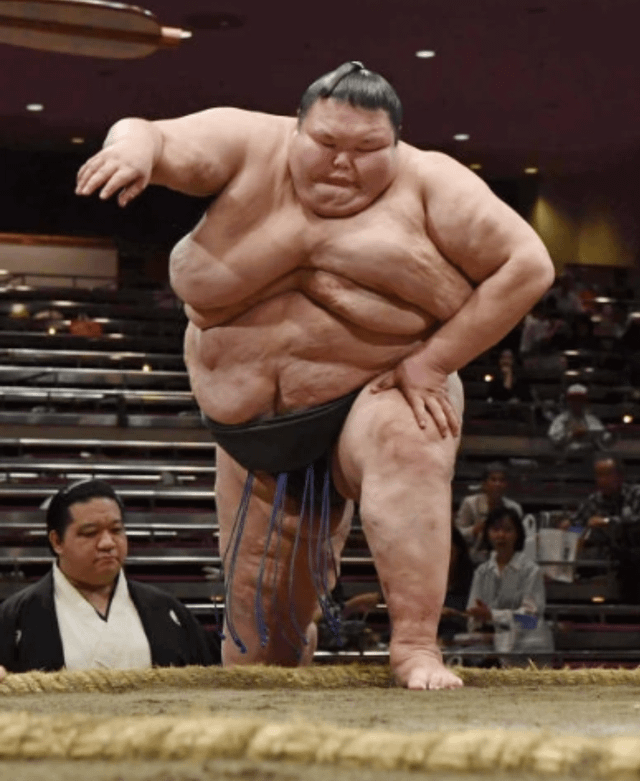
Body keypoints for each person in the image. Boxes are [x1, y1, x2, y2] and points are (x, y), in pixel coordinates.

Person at [75, 61, 554, 690]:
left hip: (373, 393)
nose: (342, 163)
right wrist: (132, 150)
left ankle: (416, 646)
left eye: (367, 149)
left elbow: (527, 263)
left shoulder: (433, 183)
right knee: (261, 643)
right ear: (296, 129)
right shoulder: (248, 144)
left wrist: (432, 362)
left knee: (409, 437)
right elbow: (153, 134)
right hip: (253, 433)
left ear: (397, 143)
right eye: (326, 143)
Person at [0, 479, 214, 675]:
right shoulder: (15, 616)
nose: (107, 543)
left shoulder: (166, 609)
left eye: (116, 530)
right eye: (90, 533)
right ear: (57, 541)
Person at [465, 507, 553, 662]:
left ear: (517, 534)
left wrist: (492, 615)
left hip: (528, 649)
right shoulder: (482, 572)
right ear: (487, 534)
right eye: (495, 530)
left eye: (507, 530)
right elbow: (473, 614)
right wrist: (476, 618)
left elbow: (530, 620)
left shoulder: (531, 570)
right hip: (491, 647)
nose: (501, 535)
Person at [570, 455, 640, 601]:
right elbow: (577, 525)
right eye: (599, 475)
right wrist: (572, 530)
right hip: (602, 559)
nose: (602, 480)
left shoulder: (635, 494)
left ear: (620, 476)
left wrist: (607, 522)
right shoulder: (593, 500)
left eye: (607, 474)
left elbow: (636, 521)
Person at [455, 462, 523, 564]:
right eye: (493, 480)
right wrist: (474, 530)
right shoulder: (470, 503)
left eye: (502, 480)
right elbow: (457, 534)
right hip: (472, 558)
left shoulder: (514, 508)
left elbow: (519, 538)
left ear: (507, 485)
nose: (497, 484)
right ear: (484, 484)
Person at [547, 383, 608, 454]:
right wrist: (572, 434)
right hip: (568, 456)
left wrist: (609, 433)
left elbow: (603, 437)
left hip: (590, 455)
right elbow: (554, 439)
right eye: (574, 400)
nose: (577, 402)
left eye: (580, 399)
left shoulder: (591, 419)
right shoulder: (561, 419)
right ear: (569, 402)